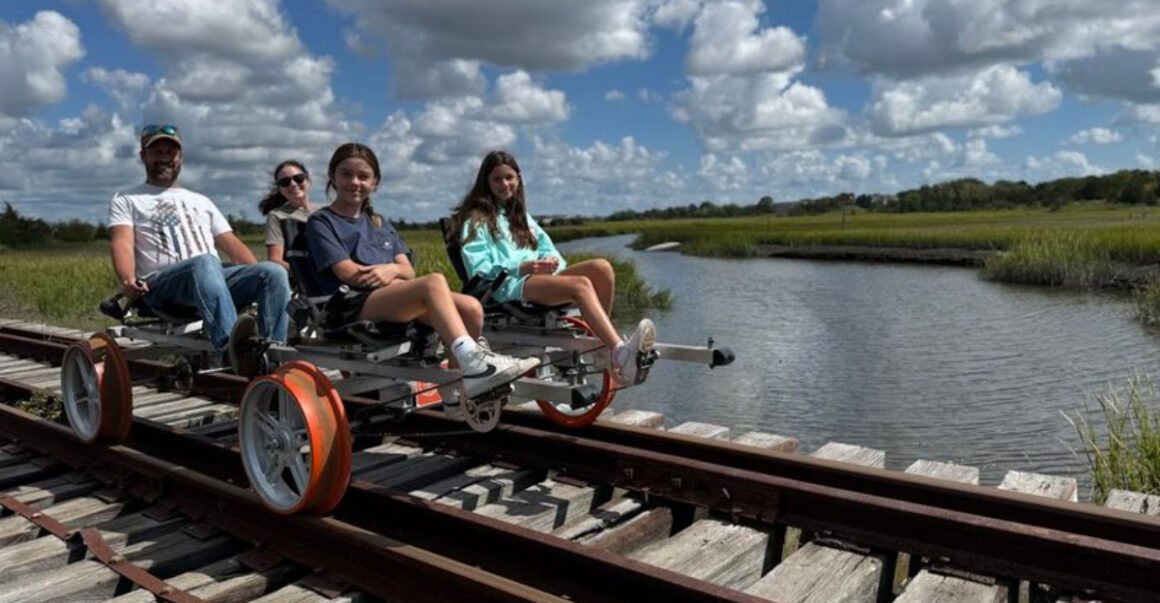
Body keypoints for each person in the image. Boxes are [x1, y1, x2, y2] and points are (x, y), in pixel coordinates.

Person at [304, 143, 538, 402]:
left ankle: (456, 389)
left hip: (388, 297)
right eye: (346, 174)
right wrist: (391, 275)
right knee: (433, 282)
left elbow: (407, 271)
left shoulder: (379, 223)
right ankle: (473, 362)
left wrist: (390, 269)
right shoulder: (322, 222)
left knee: (471, 307)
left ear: (376, 182)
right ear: (332, 177)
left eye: (363, 176)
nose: (354, 182)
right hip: (349, 304)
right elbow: (348, 273)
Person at [448, 150, 656, 385]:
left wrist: (552, 264)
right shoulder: (477, 221)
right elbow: (478, 269)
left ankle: (598, 345)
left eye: (509, 177)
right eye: (497, 178)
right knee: (581, 284)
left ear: (519, 178)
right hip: (508, 286)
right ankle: (619, 352)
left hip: (538, 280)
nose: (504, 184)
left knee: (602, 268)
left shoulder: (522, 218)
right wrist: (522, 267)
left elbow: (549, 249)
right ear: (485, 182)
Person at [108, 124, 291, 352]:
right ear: (143, 156)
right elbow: (122, 241)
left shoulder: (201, 201)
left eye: (170, 152)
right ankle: (230, 348)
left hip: (213, 280)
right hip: (161, 286)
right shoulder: (127, 198)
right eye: (157, 151)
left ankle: (272, 352)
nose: (165, 157)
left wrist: (254, 274)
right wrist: (128, 280)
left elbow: (232, 245)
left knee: (273, 272)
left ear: (181, 157)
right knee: (204, 262)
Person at [258, 160, 318, 269]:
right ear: (280, 190)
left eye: (298, 178)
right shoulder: (277, 216)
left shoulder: (327, 212)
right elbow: (275, 260)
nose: (293, 184)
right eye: (285, 182)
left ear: (308, 181)